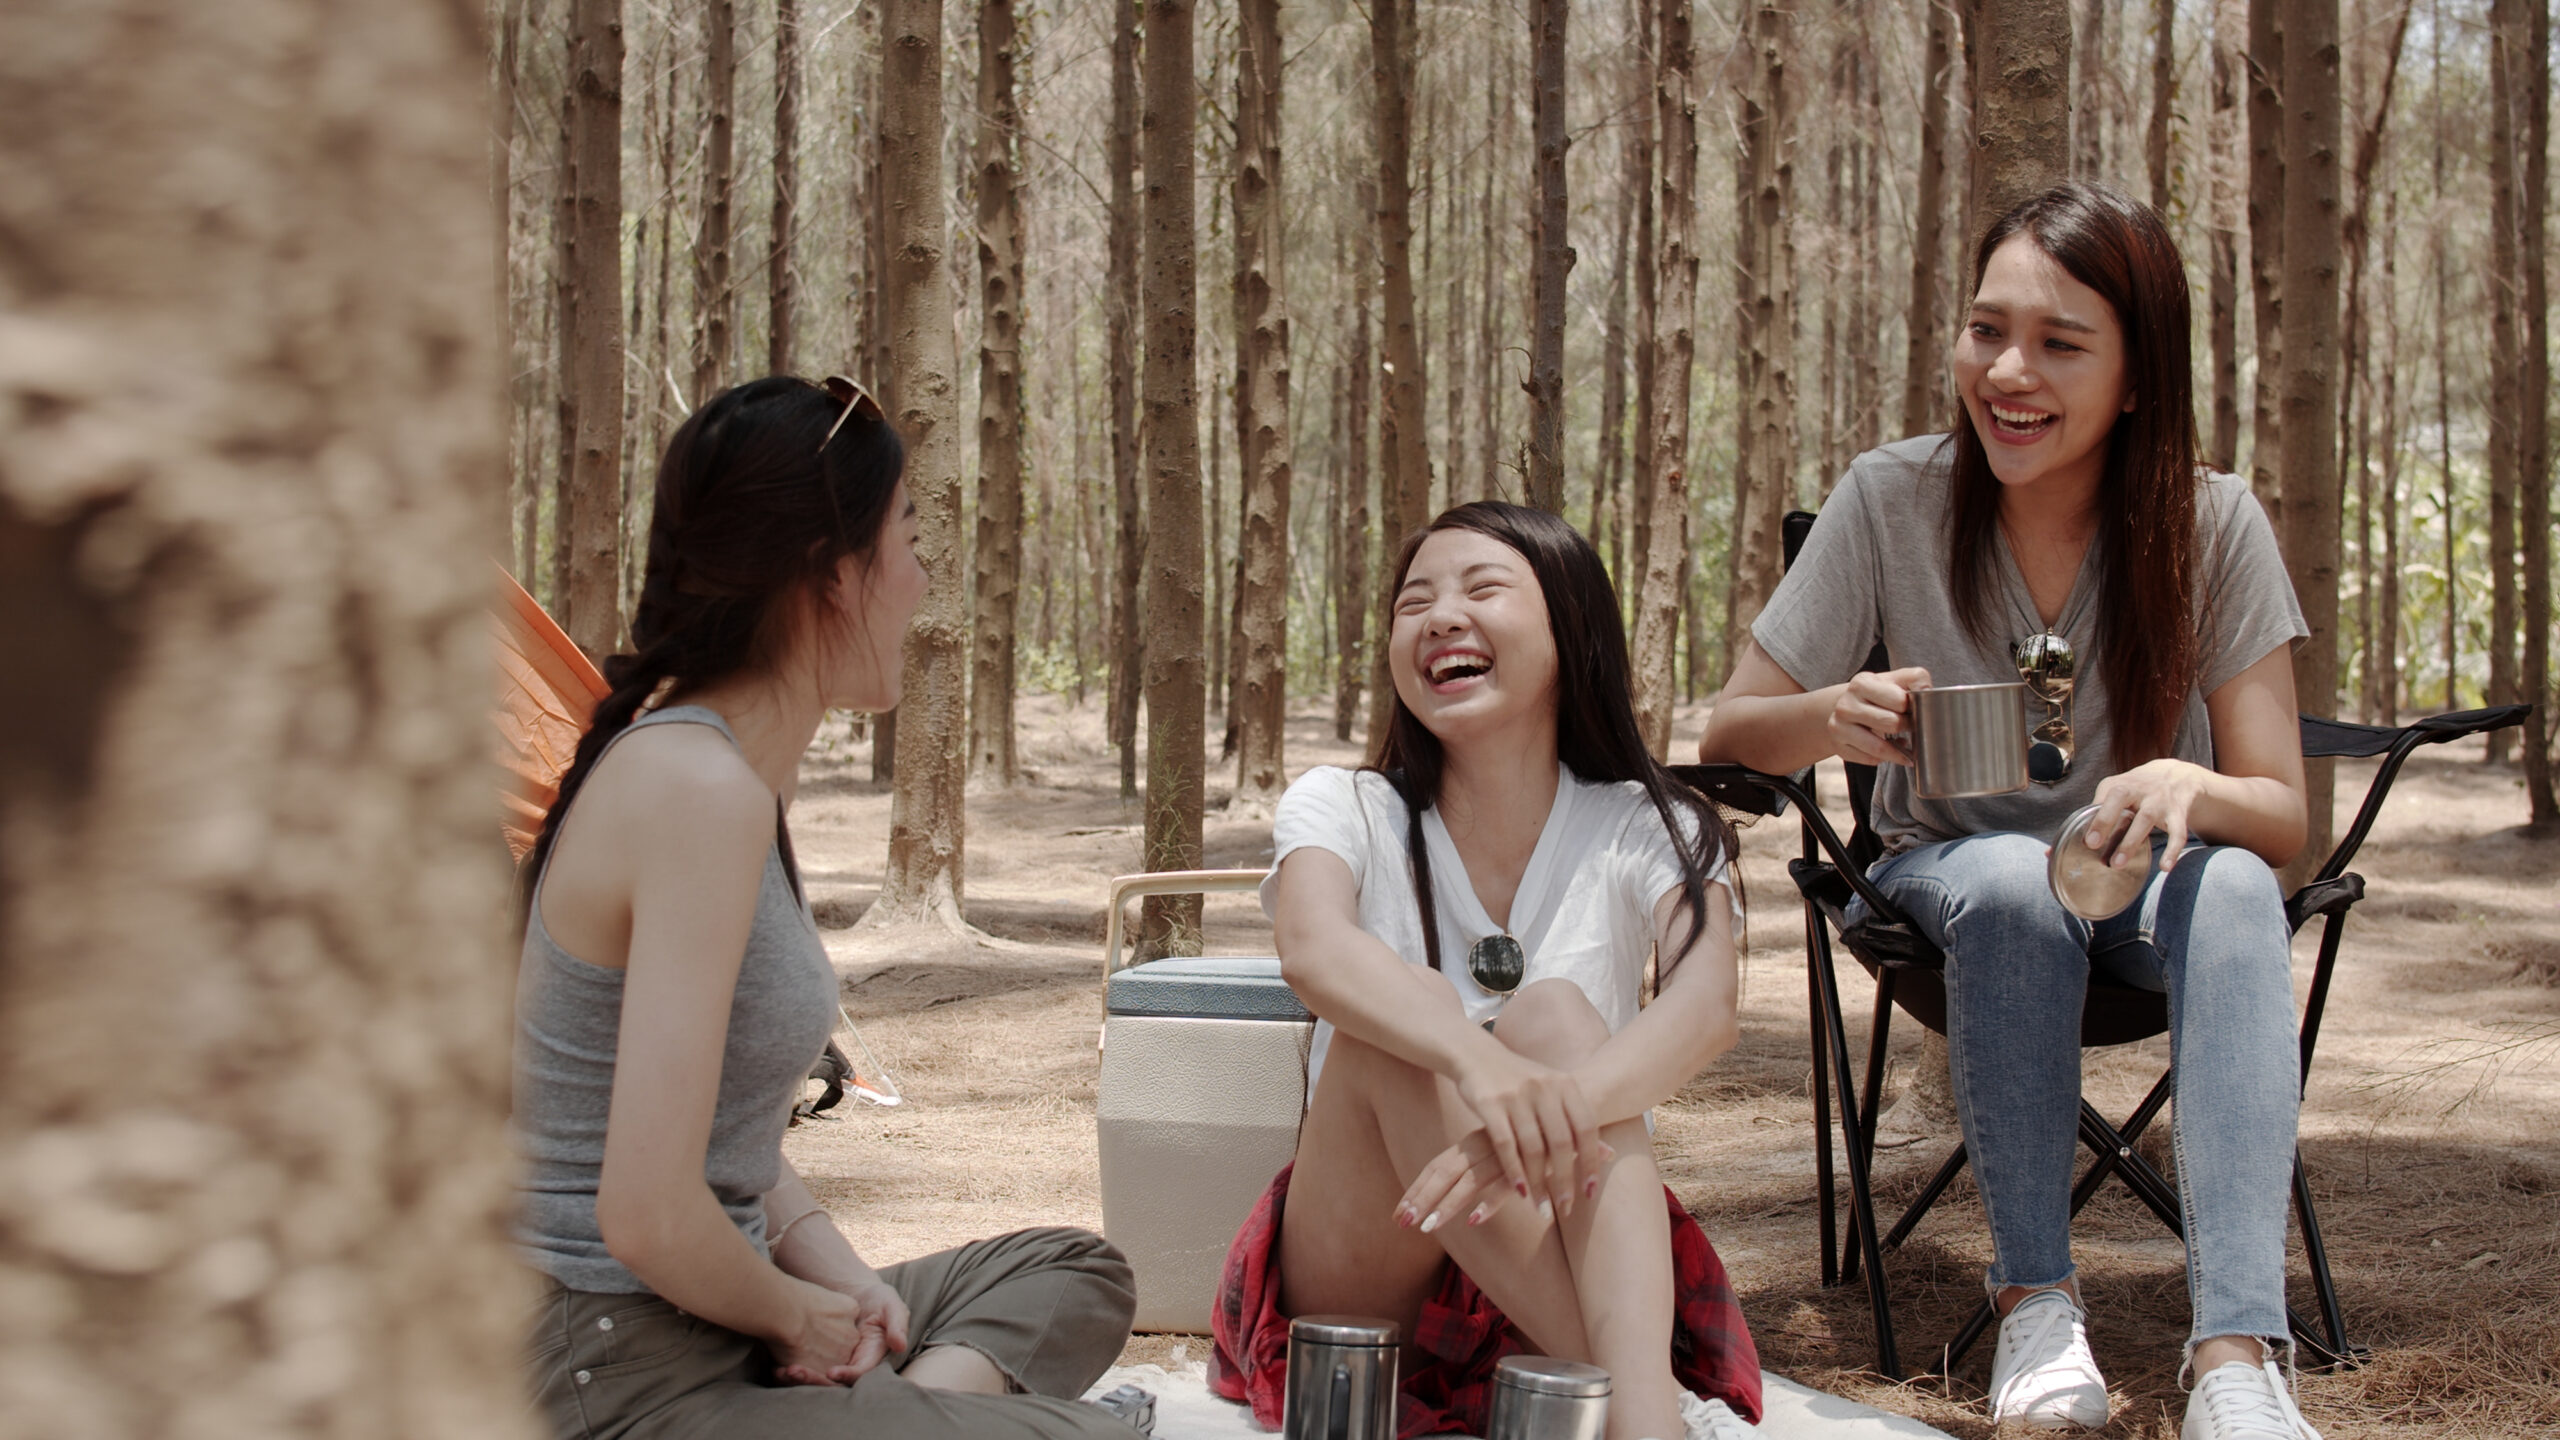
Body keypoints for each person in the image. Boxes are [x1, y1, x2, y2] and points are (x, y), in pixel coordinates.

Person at [1699, 182, 2322, 1440]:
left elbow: (2280, 816)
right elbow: (1727, 733)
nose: (2008, 371)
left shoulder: (2211, 524)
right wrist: (1834, 715)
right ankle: (2035, 1302)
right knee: (2000, 878)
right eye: (1986, 331)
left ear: (2138, 376)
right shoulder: (1891, 499)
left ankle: (2237, 1356)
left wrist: (2191, 785)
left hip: (2138, 887)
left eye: (2058, 342)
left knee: (2242, 884)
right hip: (1955, 890)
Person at [513, 375, 1142, 1439]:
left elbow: (731, 1148)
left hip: (721, 1320)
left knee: (1073, 1269)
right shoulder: (694, 788)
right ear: (832, 574)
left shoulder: (731, 776)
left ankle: (898, 1413)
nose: (922, 576)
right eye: (906, 538)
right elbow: (646, 1215)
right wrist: (799, 1320)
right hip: (615, 1372)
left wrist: (845, 1285)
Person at [1210, 502, 1764, 1440]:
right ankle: (1642, 1413)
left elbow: (1705, 1009)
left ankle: (1628, 1406)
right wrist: (1478, 1064)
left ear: (1569, 626)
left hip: (1567, 1242)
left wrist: (1535, 1109)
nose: (1440, 617)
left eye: (1483, 589)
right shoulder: (1345, 805)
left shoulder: (1653, 823)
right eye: (1414, 601)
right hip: (1377, 1264)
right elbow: (1313, 950)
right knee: (1404, 1013)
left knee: (1554, 1017)